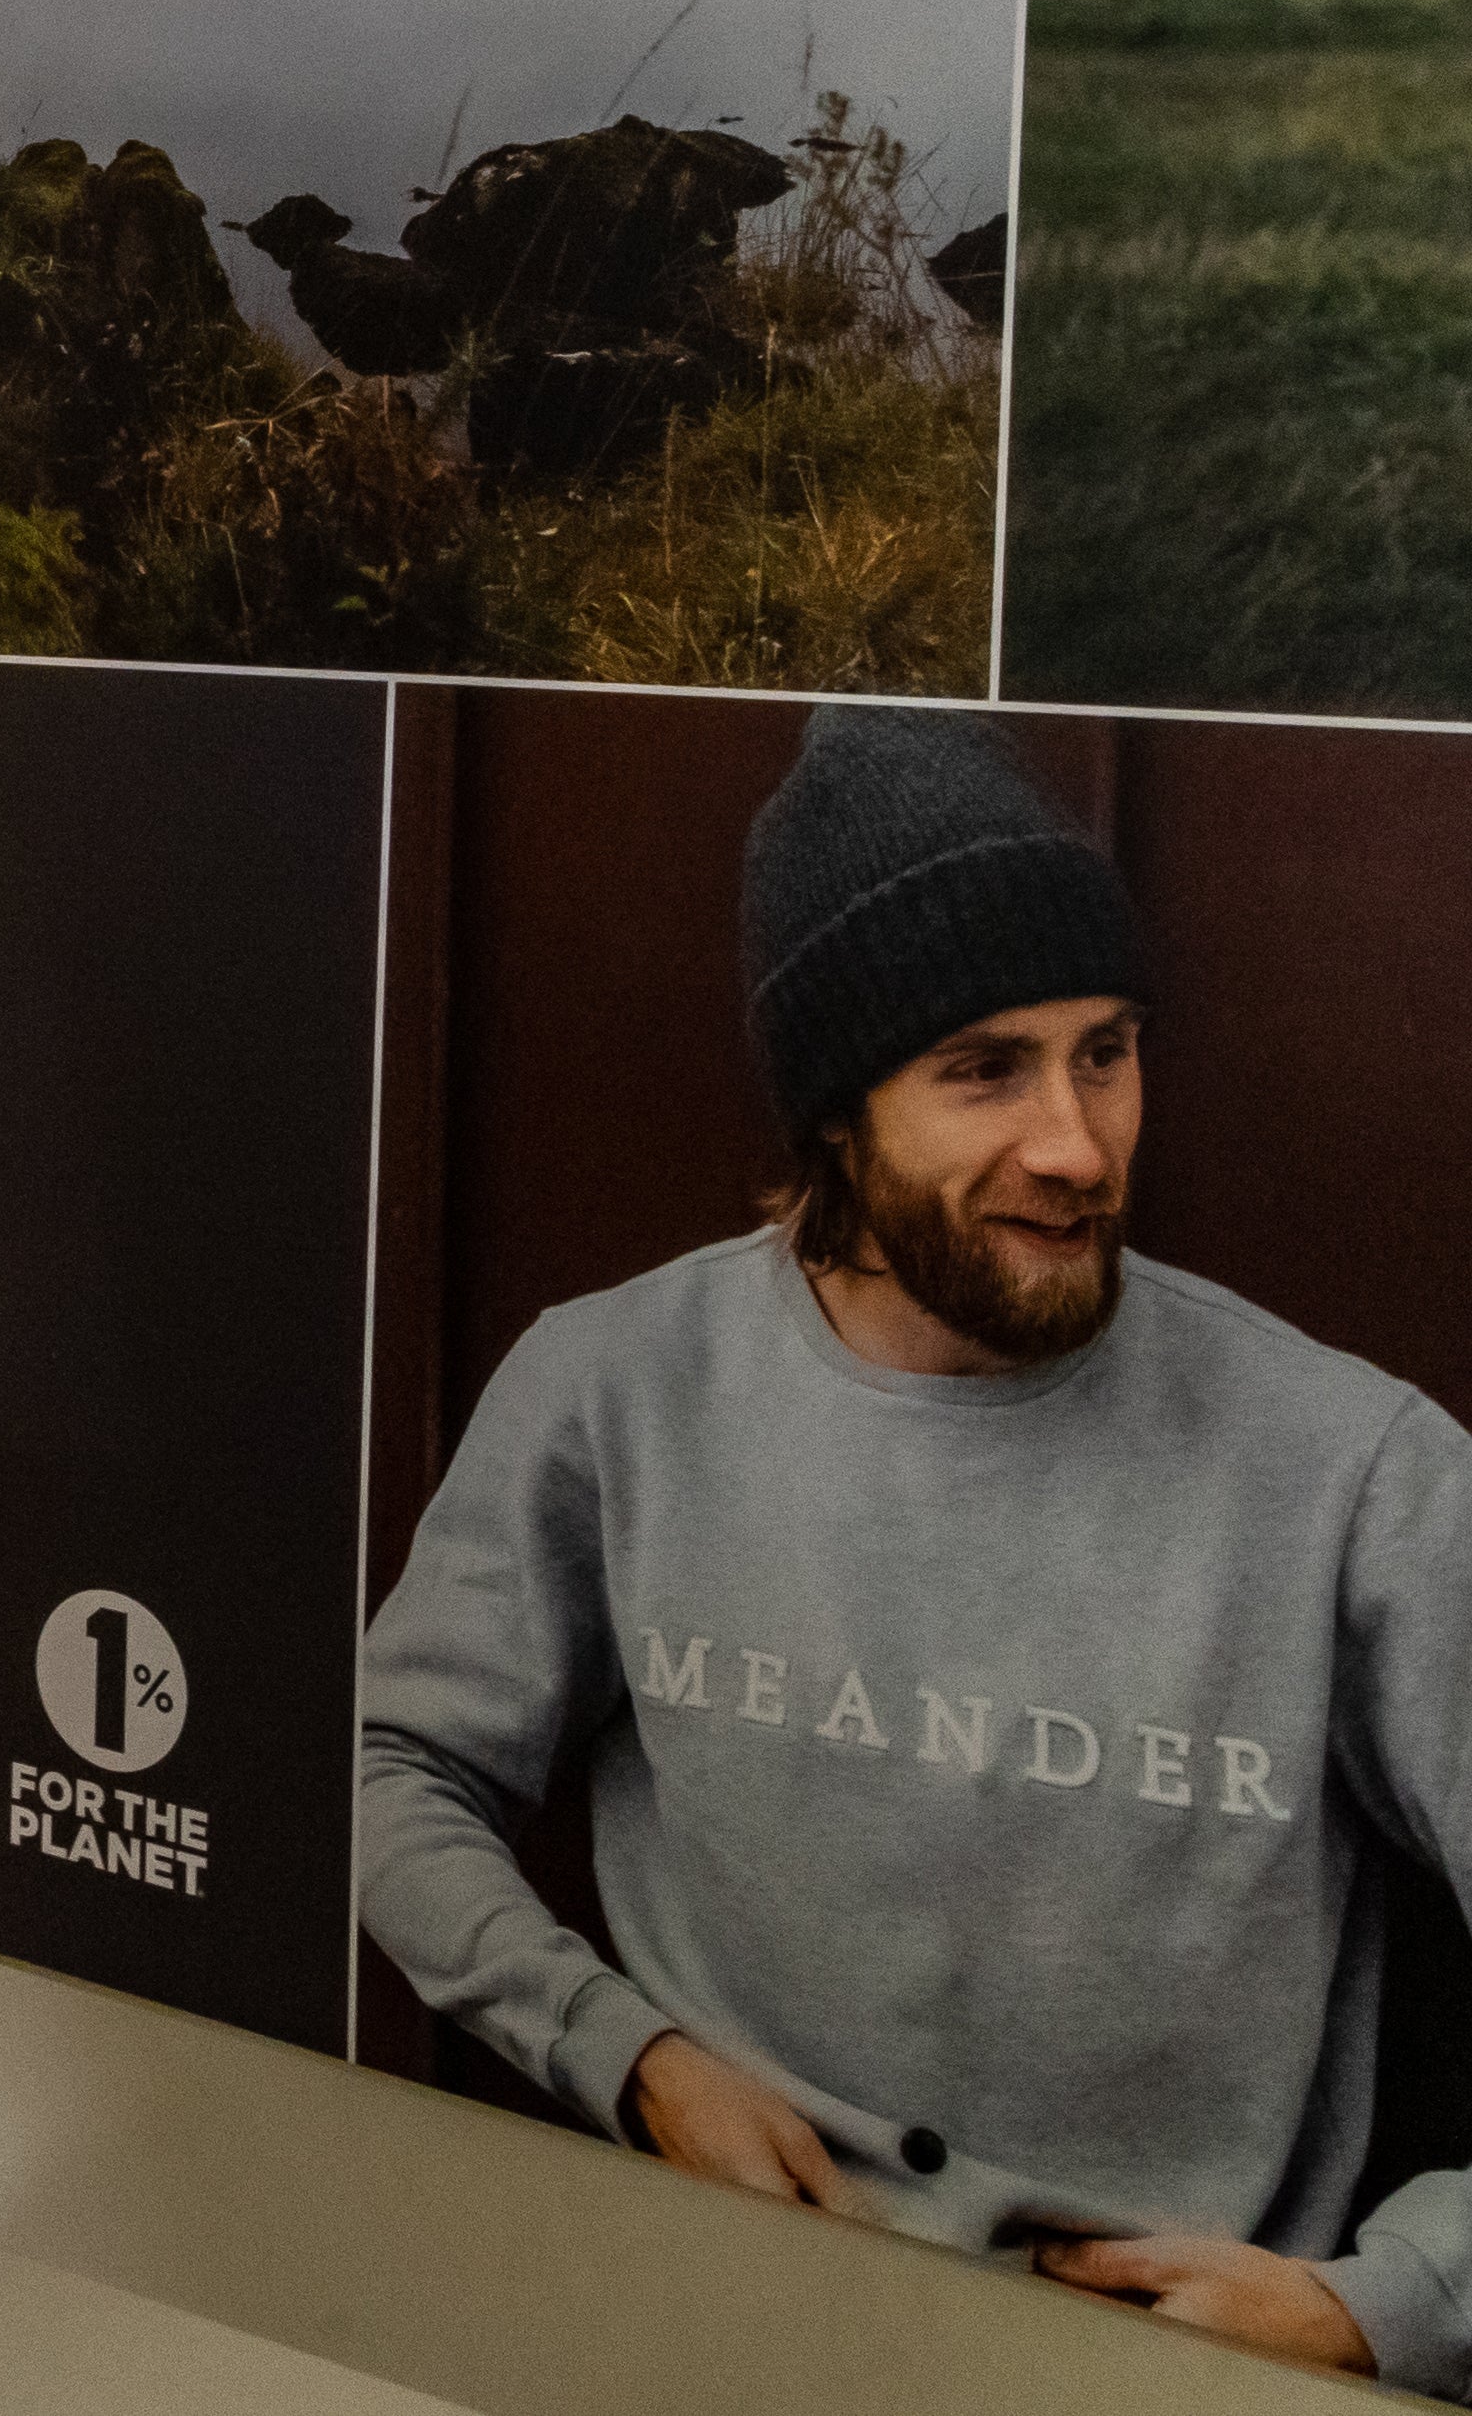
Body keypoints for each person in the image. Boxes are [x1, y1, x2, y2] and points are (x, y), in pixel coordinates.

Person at [360, 706, 1472, 2395]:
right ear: (834, 1112)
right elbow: (389, 1766)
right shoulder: (613, 1388)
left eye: (1106, 1048)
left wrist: (1382, 2305)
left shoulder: (1357, 1472)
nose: (1077, 1143)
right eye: (983, 1068)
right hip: (701, 2345)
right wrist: (628, 2053)